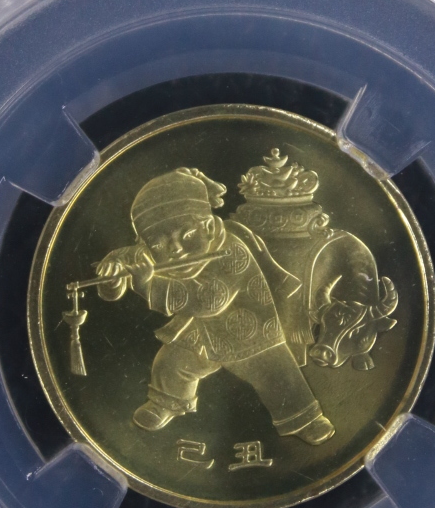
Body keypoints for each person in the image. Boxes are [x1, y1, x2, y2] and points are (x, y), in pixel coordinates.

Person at [94, 166, 335, 442]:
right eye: (158, 245)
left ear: (208, 227)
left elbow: (208, 300)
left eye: (186, 236)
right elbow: (132, 257)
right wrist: (114, 272)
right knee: (171, 363)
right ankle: (166, 403)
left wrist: (147, 286)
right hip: (202, 335)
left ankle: (306, 420)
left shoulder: (231, 250)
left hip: (250, 333)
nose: (175, 249)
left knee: (278, 376)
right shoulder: (157, 248)